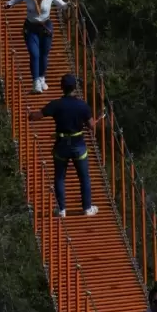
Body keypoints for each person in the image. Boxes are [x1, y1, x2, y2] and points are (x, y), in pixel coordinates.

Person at [27, 72, 103, 218]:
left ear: (62, 87)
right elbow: (91, 126)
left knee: (60, 177)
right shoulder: (82, 106)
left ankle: (61, 209)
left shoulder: (56, 105)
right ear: (75, 87)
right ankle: (87, 208)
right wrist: (97, 118)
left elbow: (36, 116)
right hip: (78, 145)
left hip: (61, 146)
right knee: (84, 177)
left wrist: (30, 114)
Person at [6, 0, 69, 93]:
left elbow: (62, 5)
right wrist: (9, 3)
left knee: (44, 54)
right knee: (34, 54)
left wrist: (68, 5)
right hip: (31, 27)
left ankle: (41, 77)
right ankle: (35, 82)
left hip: (45, 27)